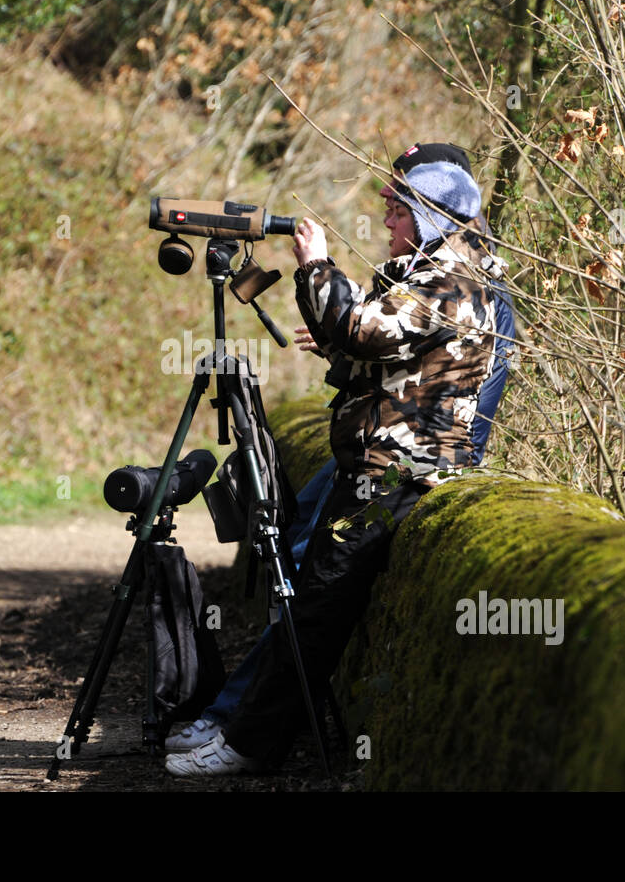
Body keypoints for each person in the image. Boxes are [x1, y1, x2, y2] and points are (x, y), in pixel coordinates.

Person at [165, 142, 507, 776]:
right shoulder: (454, 272)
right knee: (311, 596)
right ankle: (238, 729)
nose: (387, 223)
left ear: (432, 212)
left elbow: (359, 333)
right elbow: (375, 356)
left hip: (398, 470)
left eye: (399, 211)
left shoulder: (448, 282)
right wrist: (337, 321)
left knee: (316, 609)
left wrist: (315, 267)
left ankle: (244, 745)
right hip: (390, 463)